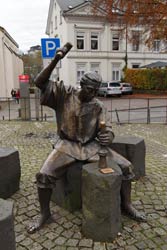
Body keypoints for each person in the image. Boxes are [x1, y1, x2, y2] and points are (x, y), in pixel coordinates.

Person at [27, 43, 146, 234]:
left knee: (126, 166)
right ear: (82, 85)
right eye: (90, 89)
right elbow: (40, 83)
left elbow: (106, 127)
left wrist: (108, 136)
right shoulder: (64, 94)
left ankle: (127, 204)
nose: (93, 94)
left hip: (92, 146)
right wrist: (56, 58)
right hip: (66, 145)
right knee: (44, 174)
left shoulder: (97, 105)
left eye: (96, 90)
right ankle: (44, 214)